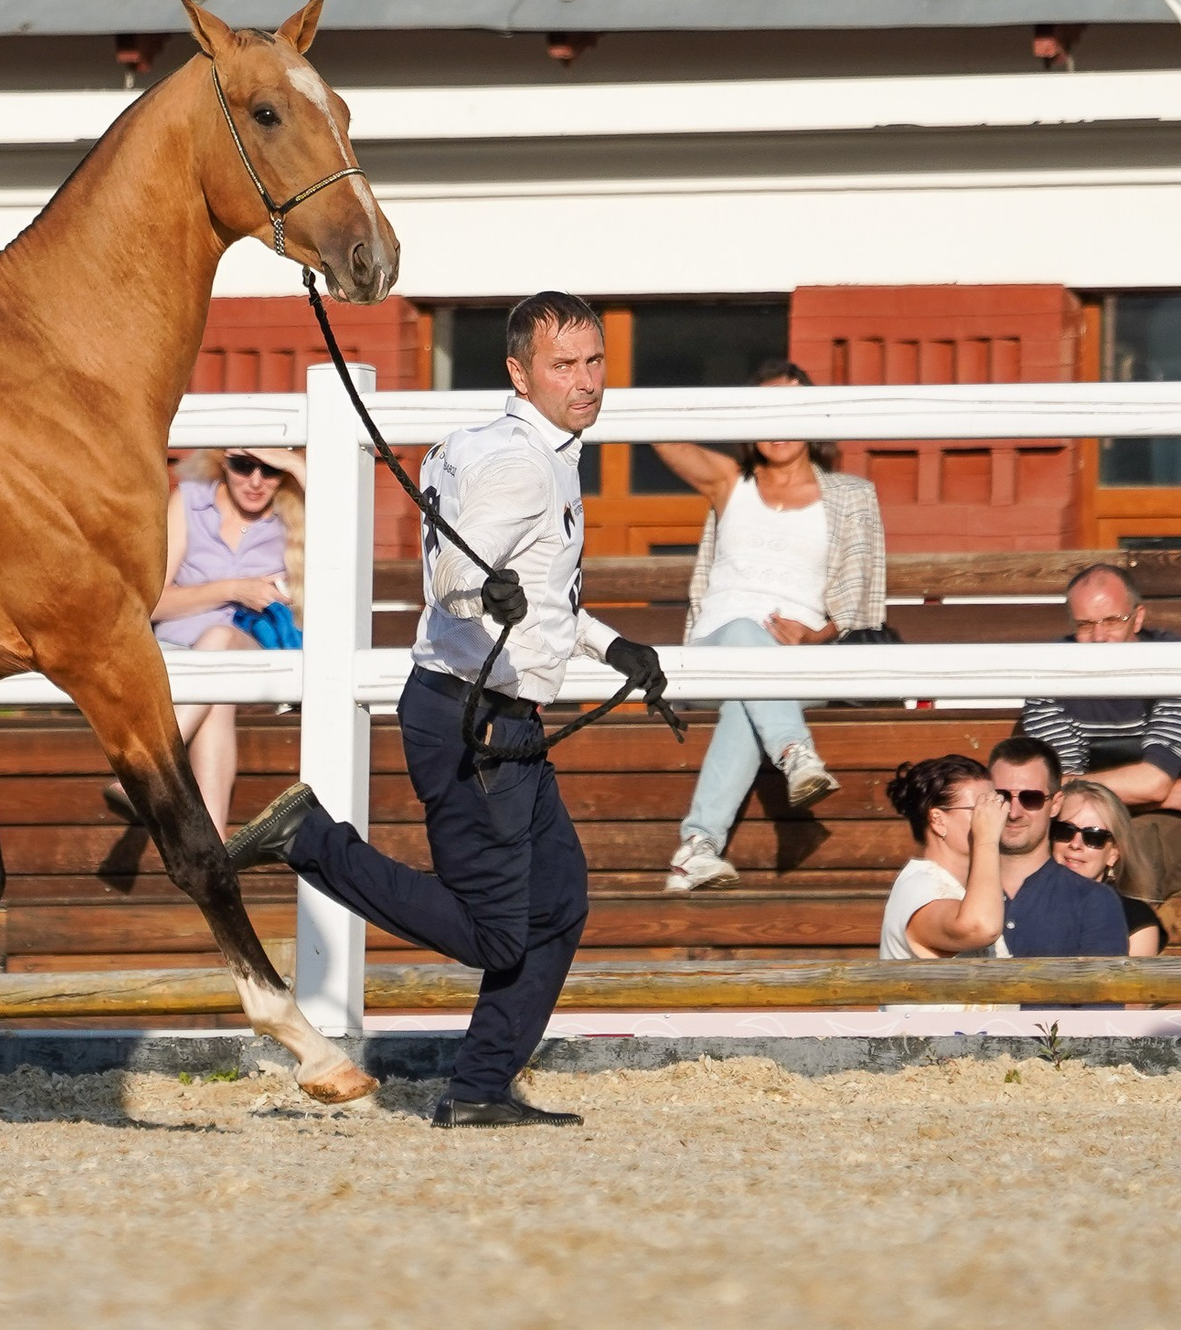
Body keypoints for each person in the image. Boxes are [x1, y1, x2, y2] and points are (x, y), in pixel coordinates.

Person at [229, 292, 666, 1128]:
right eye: (562, 366)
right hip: (478, 723)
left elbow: (533, 590)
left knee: (562, 898)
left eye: (594, 361)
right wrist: (482, 593)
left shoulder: (505, 444)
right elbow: (456, 580)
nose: (584, 381)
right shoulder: (523, 462)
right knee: (502, 934)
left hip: (492, 717)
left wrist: (611, 648)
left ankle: (479, 1087)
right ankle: (310, 840)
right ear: (519, 371)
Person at [653, 358, 887, 892]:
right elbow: (662, 438)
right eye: (766, 413)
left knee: (749, 692)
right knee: (740, 629)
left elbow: (861, 605)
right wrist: (735, 410)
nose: (778, 427)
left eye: (790, 411)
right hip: (714, 652)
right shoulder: (730, 482)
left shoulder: (851, 497)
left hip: (796, 668)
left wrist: (814, 635)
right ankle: (794, 753)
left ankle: (697, 848)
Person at [105, 446, 304, 836]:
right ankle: (213, 845)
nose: (256, 481)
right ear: (222, 462)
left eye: (270, 470)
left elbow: (346, 527)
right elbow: (154, 602)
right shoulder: (189, 503)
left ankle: (149, 770)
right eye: (243, 466)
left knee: (218, 643)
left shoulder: (295, 511)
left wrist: (298, 465)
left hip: (257, 652)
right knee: (216, 693)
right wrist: (233, 589)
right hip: (182, 656)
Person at [1014, 564, 1181, 894]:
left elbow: (1152, 781)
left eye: (1112, 621)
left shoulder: (1172, 663)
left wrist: (1074, 785)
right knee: (1068, 846)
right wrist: (1162, 793)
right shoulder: (1050, 671)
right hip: (1078, 823)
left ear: (1138, 617)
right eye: (1086, 625)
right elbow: (1068, 798)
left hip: (1161, 827)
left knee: (1139, 848)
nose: (1100, 637)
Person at [985, 736, 1126, 961]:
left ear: (1056, 804)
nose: (1014, 812)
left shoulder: (1094, 901)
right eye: (1002, 796)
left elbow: (1102, 993)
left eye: (1031, 798)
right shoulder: (953, 887)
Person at [880, 755, 1006, 960]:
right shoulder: (920, 888)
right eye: (982, 808)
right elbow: (981, 927)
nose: (997, 817)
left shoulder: (962, 887)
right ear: (938, 820)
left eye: (997, 804)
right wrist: (987, 839)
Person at [1050, 777, 1166, 955]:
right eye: (1065, 831)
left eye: (1094, 837)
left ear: (1113, 854)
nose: (1075, 844)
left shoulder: (1135, 920)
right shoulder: (1021, 900)